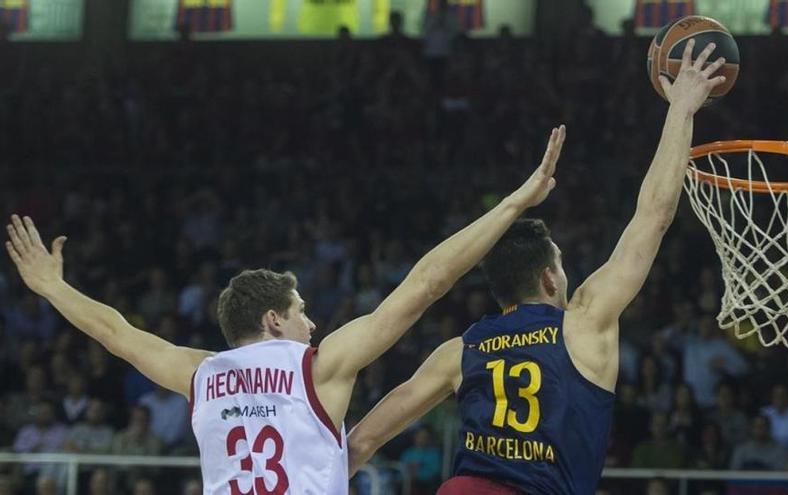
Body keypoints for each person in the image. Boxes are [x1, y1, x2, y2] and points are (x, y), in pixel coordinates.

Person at [4, 125, 565, 495]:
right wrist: (515, 202)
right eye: (301, 310)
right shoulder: (317, 368)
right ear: (274, 318)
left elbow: (115, 332)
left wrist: (54, 288)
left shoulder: (200, 374)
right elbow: (426, 283)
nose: (311, 322)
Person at [348, 40, 728, 494]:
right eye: (562, 265)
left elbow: (363, 440)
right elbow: (653, 217)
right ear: (550, 276)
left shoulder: (460, 350)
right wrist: (682, 110)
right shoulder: (584, 326)